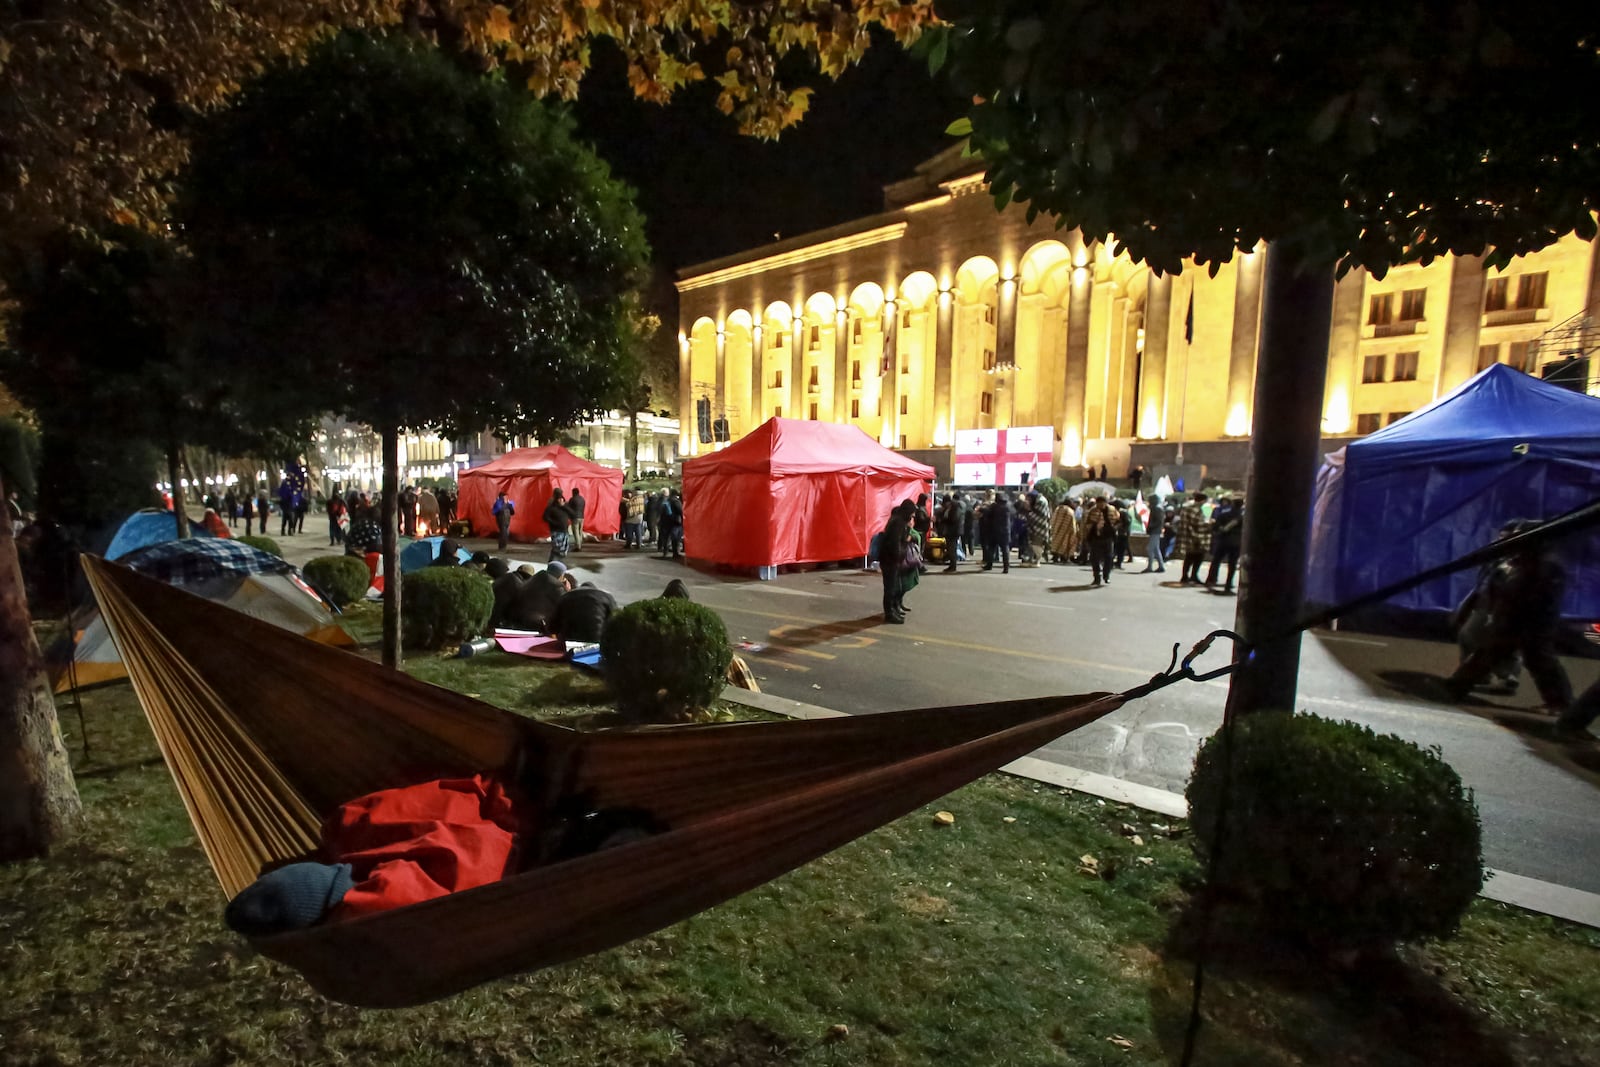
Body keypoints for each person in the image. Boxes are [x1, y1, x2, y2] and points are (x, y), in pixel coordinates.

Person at [1443, 523, 1572, 713]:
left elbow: (1533, 597)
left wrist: (1506, 614)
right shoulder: (1529, 558)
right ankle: (1454, 689)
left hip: (1529, 623)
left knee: (1537, 660)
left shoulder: (1545, 564)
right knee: (1491, 653)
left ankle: (1561, 703)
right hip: (1517, 620)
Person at [1452, 521, 1525, 693]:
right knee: (1468, 635)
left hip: (1504, 604)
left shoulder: (1520, 559)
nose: (1501, 539)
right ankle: (1483, 674)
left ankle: (1507, 676)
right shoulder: (1497, 555)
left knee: (1502, 642)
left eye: (1506, 537)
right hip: (1486, 600)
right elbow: (1485, 579)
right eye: (1501, 536)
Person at [551, 581, 618, 643]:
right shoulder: (607, 597)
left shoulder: (565, 597)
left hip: (568, 640)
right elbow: (616, 621)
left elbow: (552, 627)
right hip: (597, 639)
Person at [879, 504, 911, 624]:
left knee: (892, 587)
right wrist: (904, 546)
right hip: (891, 560)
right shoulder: (898, 524)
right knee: (890, 588)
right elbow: (896, 545)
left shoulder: (896, 521)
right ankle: (890, 614)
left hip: (890, 560)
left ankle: (892, 610)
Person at [1205, 495, 1244, 594]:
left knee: (1216, 561)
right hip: (1237, 543)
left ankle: (1211, 580)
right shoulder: (1244, 517)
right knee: (1232, 564)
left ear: (1232, 504)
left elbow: (1216, 527)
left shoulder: (1224, 515)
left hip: (1224, 541)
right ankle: (1228, 584)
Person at [1080, 495, 1117, 586]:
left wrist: (1114, 529)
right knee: (1094, 559)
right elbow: (1087, 523)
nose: (1101, 505)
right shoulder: (1092, 511)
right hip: (1096, 538)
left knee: (1108, 558)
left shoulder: (1112, 510)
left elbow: (1118, 520)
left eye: (1103, 503)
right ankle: (1097, 577)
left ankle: (1106, 575)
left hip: (1108, 538)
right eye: (1099, 503)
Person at [1174, 492, 1210, 585]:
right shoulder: (1196, 510)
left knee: (1189, 558)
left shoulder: (1186, 509)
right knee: (1198, 557)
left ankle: (1185, 576)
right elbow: (1198, 523)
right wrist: (1209, 523)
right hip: (1196, 537)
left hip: (1187, 536)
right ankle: (1193, 576)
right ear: (1202, 500)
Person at [981, 490, 1011, 573]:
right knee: (1005, 549)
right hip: (1005, 530)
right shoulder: (1008, 506)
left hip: (994, 530)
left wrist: (982, 509)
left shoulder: (994, 506)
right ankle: (1006, 567)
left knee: (991, 548)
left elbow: (988, 513)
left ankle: (989, 565)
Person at [543, 489, 572, 562]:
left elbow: (572, 514)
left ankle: (555, 564)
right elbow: (545, 517)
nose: (560, 498)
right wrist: (554, 523)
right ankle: (554, 565)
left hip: (564, 530)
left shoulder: (564, 503)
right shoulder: (552, 505)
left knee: (563, 550)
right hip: (556, 531)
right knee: (557, 549)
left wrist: (563, 506)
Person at [1049, 498, 1078, 564]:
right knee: (1064, 544)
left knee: (1056, 543)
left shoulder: (1058, 509)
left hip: (1056, 529)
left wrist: (1053, 527)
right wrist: (1074, 532)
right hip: (1066, 531)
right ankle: (1063, 558)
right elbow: (1072, 523)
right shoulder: (1070, 511)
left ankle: (1055, 556)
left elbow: (1053, 518)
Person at [1142, 497, 1167, 573]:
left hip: (1156, 531)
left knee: (1150, 548)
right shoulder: (1156, 508)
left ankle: (1150, 567)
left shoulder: (1157, 509)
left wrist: (1150, 526)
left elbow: (1159, 521)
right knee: (1156, 549)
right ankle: (1161, 566)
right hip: (1155, 531)